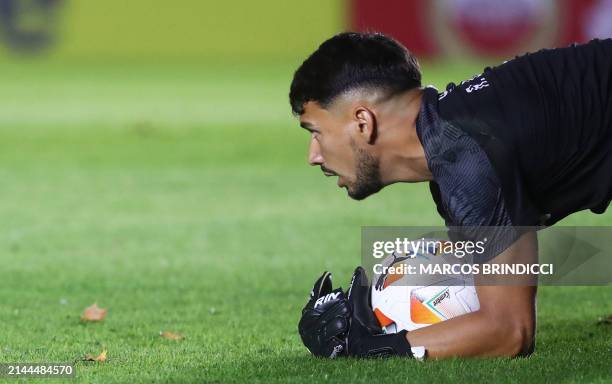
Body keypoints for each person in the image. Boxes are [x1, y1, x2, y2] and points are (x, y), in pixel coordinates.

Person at [289, 32, 612, 358]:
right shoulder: (453, 146)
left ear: (363, 122)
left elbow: (510, 331)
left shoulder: (466, 160)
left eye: (316, 132)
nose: (313, 155)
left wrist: (368, 346)